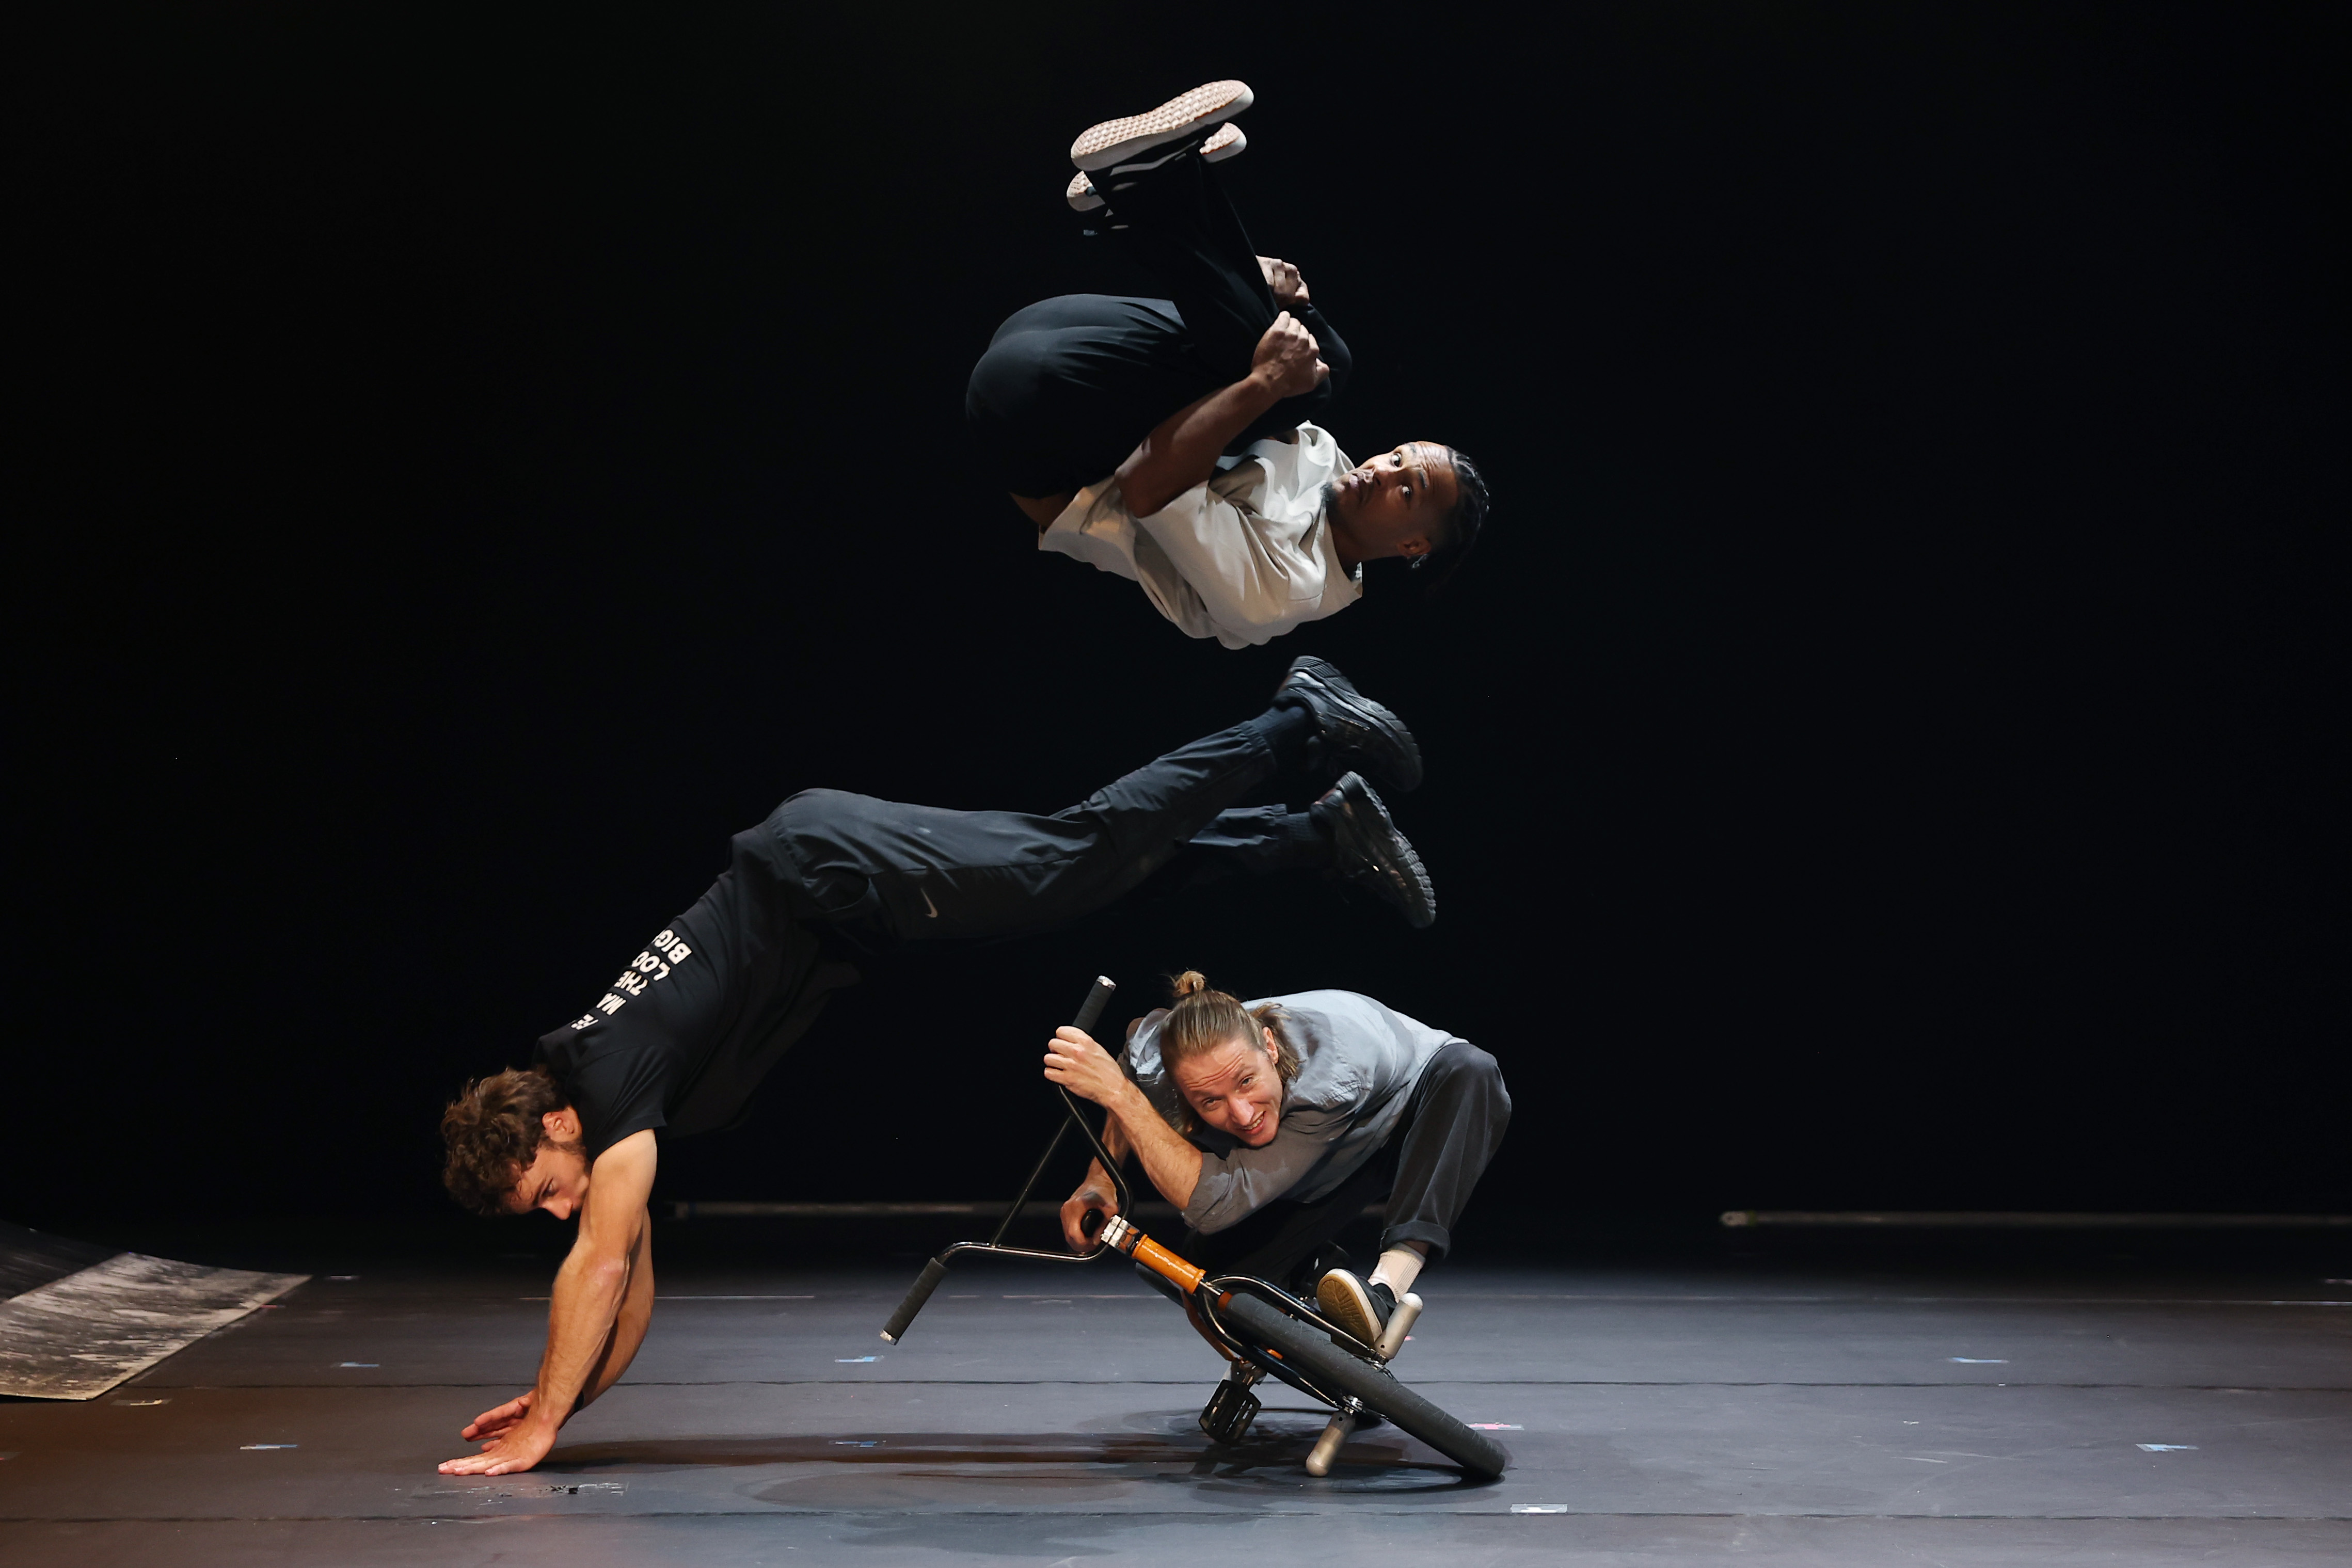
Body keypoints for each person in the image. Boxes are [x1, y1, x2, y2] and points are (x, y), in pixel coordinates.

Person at [432, 657, 1436, 1476]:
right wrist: (561, 1397)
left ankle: (1297, 719)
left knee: (1074, 850)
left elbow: (601, 1266)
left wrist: (545, 1420)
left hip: (828, 872)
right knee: (1085, 879)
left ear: (552, 1126)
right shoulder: (606, 1097)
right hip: (839, 896)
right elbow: (630, 1293)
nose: (564, 1209)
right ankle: (1316, 833)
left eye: (548, 1190)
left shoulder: (608, 1086)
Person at [967, 80, 1492, 648]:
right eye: (1396, 458)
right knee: (1324, 366)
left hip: (1040, 427)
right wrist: (1278, 299)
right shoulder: (1331, 465)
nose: (1382, 471)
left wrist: (1265, 379)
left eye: (1407, 491)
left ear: (1412, 545)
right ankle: (1141, 196)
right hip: (1046, 331)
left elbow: (1145, 485)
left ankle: (1150, 192)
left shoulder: (1283, 593)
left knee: (1287, 384)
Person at [1042, 970, 1509, 1352]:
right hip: (1320, 1152)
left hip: (1408, 1112)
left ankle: (1385, 1291)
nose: (1242, 1114)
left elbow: (1212, 1205)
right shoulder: (1163, 1061)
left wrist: (1120, 1095)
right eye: (1210, 1102)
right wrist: (1100, 1180)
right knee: (1214, 1290)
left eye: (1246, 1082)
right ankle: (1315, 1271)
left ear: (1269, 1046)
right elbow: (1131, 1067)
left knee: (1471, 1070)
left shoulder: (1334, 1077)